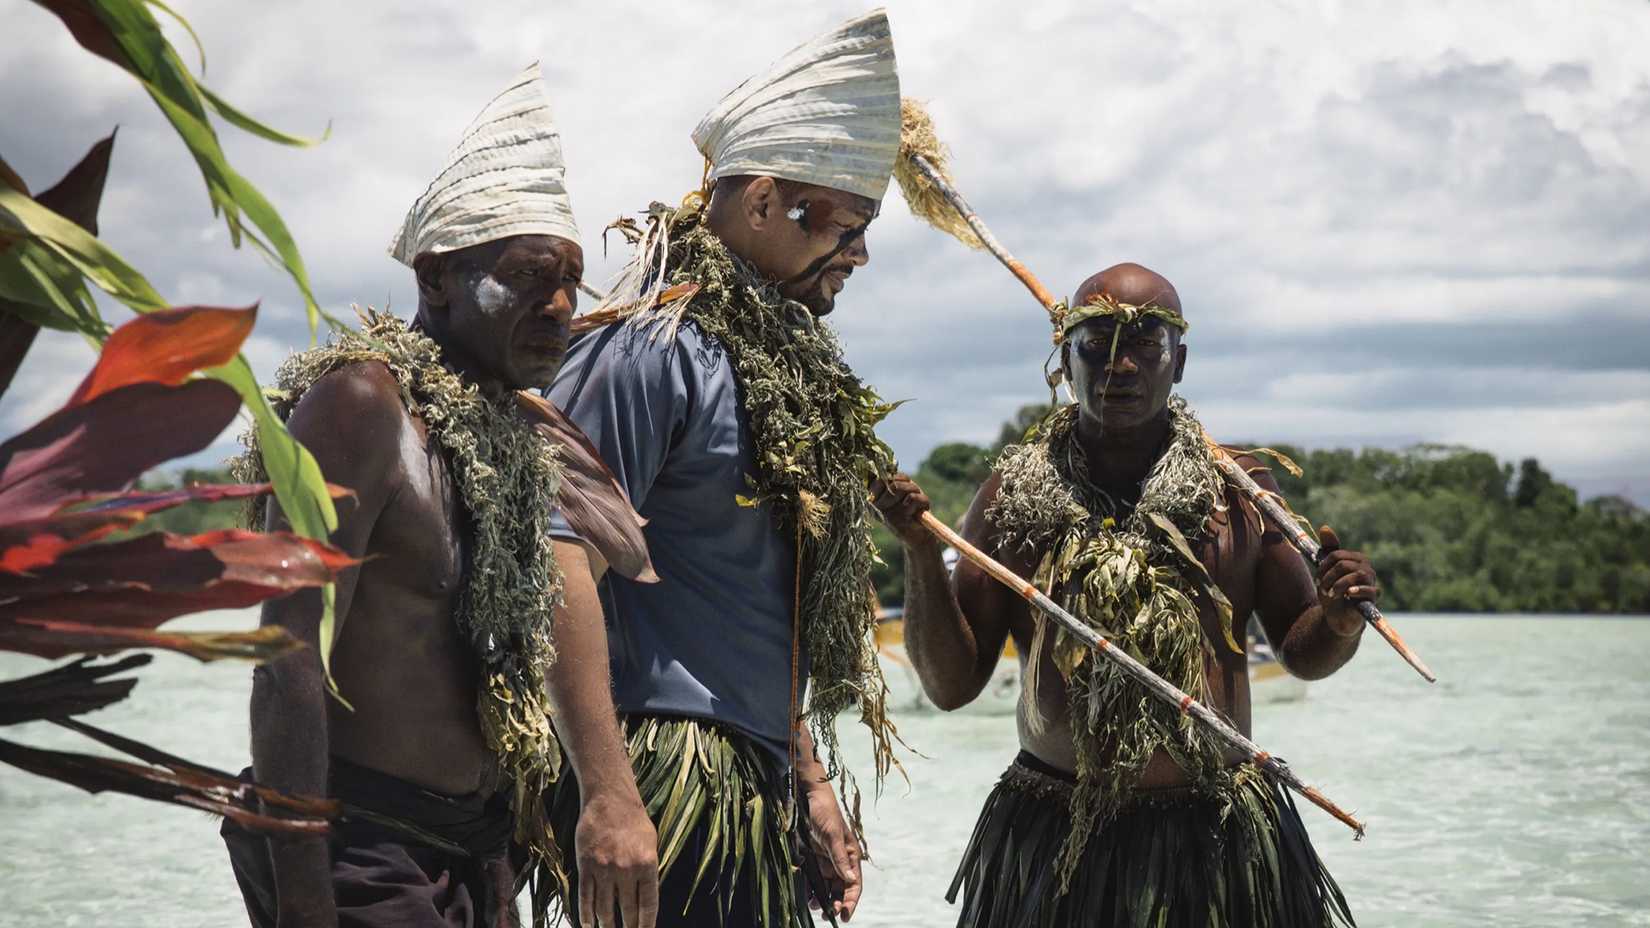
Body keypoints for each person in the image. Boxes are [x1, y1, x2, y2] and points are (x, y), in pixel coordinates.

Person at [220, 65, 658, 928]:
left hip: (469, 852)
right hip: (361, 849)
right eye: (530, 277)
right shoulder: (360, 406)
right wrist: (307, 900)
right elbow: (287, 663)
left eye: (572, 280)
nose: (562, 305)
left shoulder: (514, 443)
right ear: (434, 282)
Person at [543, 10, 907, 925]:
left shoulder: (767, 365)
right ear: (762, 203)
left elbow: (750, 596)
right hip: (664, 782)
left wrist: (809, 777)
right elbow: (555, 561)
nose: (857, 253)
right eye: (846, 222)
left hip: (755, 778)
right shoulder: (648, 351)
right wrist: (609, 796)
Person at [873, 262, 1372, 927]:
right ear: (1065, 358)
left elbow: (1303, 654)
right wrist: (917, 553)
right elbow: (951, 684)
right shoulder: (1013, 498)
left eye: (1146, 343)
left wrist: (1339, 619)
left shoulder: (1242, 494)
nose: (1120, 364)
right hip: (1057, 834)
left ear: (1180, 361)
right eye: (1096, 342)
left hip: (1217, 834)